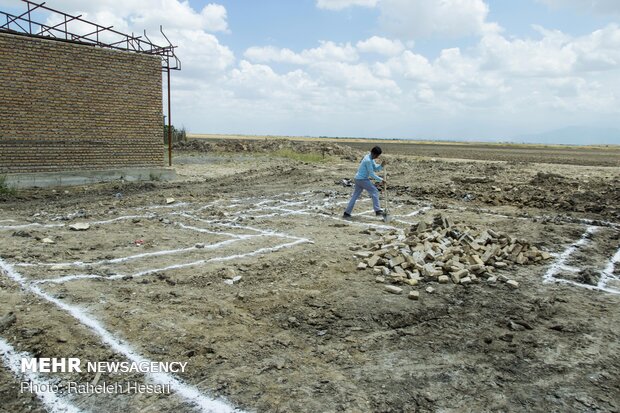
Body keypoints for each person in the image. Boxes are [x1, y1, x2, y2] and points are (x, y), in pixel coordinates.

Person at [343, 146, 386, 219]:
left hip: (358, 179)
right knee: (374, 191)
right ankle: (377, 210)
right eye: (376, 155)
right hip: (362, 180)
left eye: (378, 156)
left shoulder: (370, 157)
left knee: (355, 196)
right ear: (373, 153)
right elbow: (371, 174)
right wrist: (381, 180)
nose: (377, 157)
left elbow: (375, 168)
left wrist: (381, 165)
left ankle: (347, 213)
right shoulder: (368, 160)